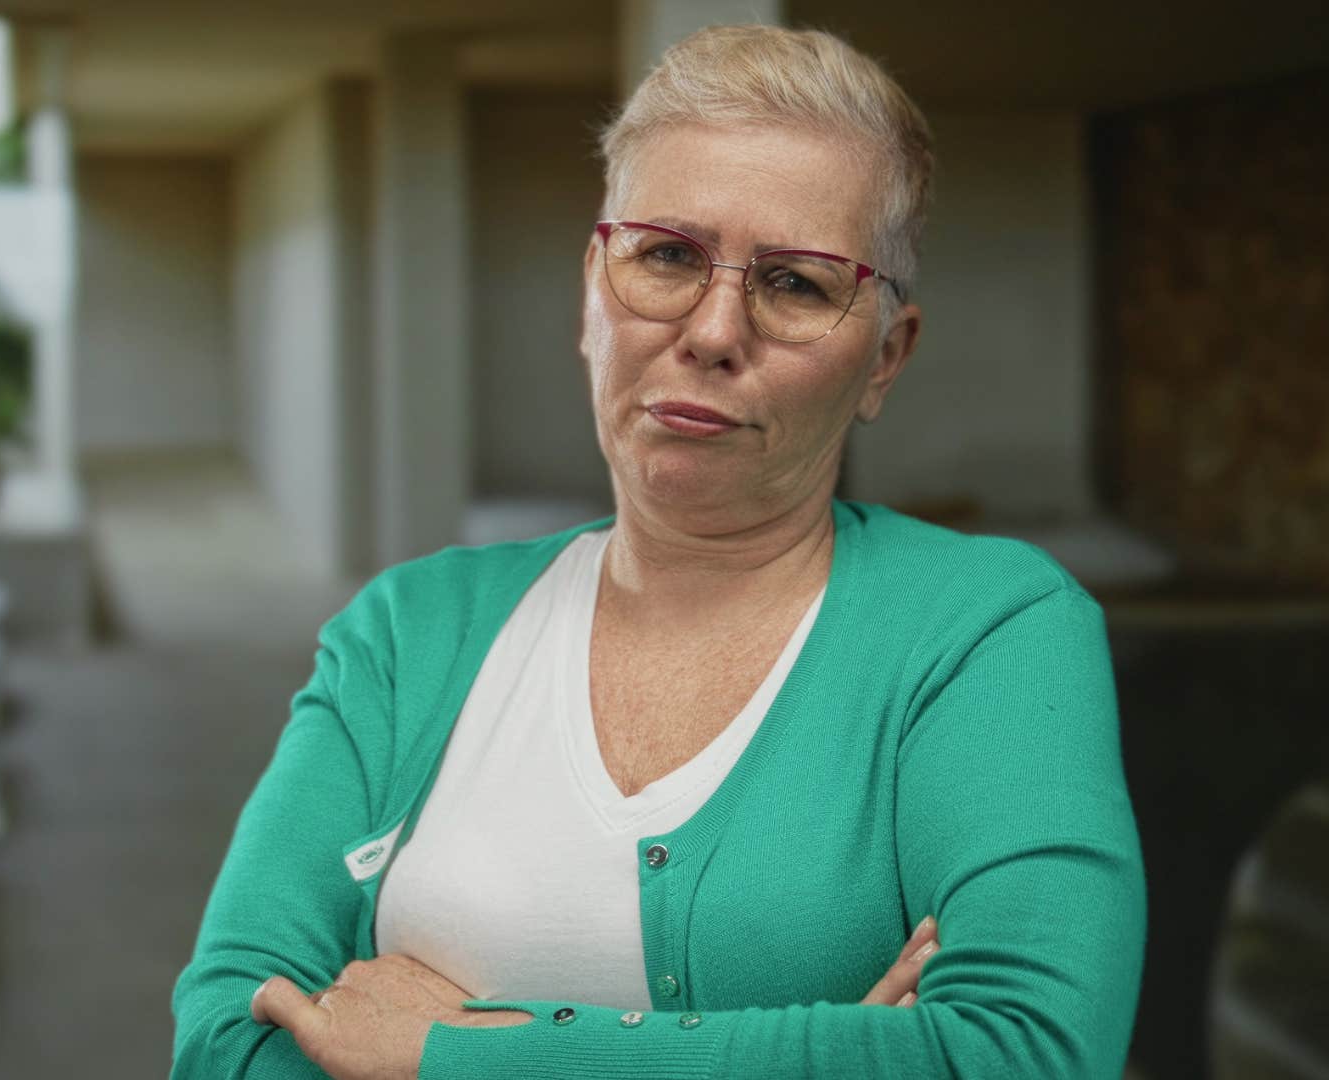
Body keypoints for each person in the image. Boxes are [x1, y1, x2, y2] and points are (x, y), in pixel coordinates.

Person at [172, 24, 1145, 1080]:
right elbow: (229, 1046)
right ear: (593, 293)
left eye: (798, 284)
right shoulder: (407, 633)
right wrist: (835, 1050)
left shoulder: (988, 630)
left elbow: (1019, 1058)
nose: (715, 329)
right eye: (668, 256)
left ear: (884, 358)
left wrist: (456, 1053)